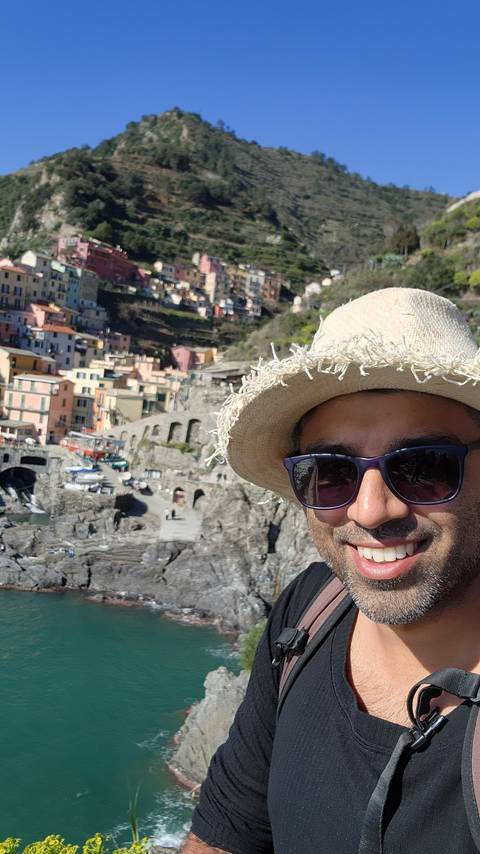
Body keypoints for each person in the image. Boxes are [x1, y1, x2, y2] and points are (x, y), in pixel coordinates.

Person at [182, 288, 480, 853]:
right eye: (331, 472)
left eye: (424, 467)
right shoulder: (309, 612)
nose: (371, 510)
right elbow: (229, 828)